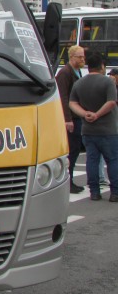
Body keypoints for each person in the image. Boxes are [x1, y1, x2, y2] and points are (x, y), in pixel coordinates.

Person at [69, 52, 118, 202]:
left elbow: (72, 103)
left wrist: (85, 114)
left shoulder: (79, 83)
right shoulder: (107, 82)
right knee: (113, 160)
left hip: (88, 130)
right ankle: (115, 193)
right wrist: (97, 114)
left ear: (88, 67)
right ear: (102, 66)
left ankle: (94, 192)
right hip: (108, 129)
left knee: (92, 160)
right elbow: (111, 102)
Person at [56, 45, 86, 193]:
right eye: (80, 57)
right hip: (70, 118)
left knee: (75, 150)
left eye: (83, 56)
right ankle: (67, 181)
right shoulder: (65, 73)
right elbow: (63, 97)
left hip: (76, 116)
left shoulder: (76, 71)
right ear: (72, 57)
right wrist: (67, 119)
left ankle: (70, 180)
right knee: (72, 150)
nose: (83, 59)